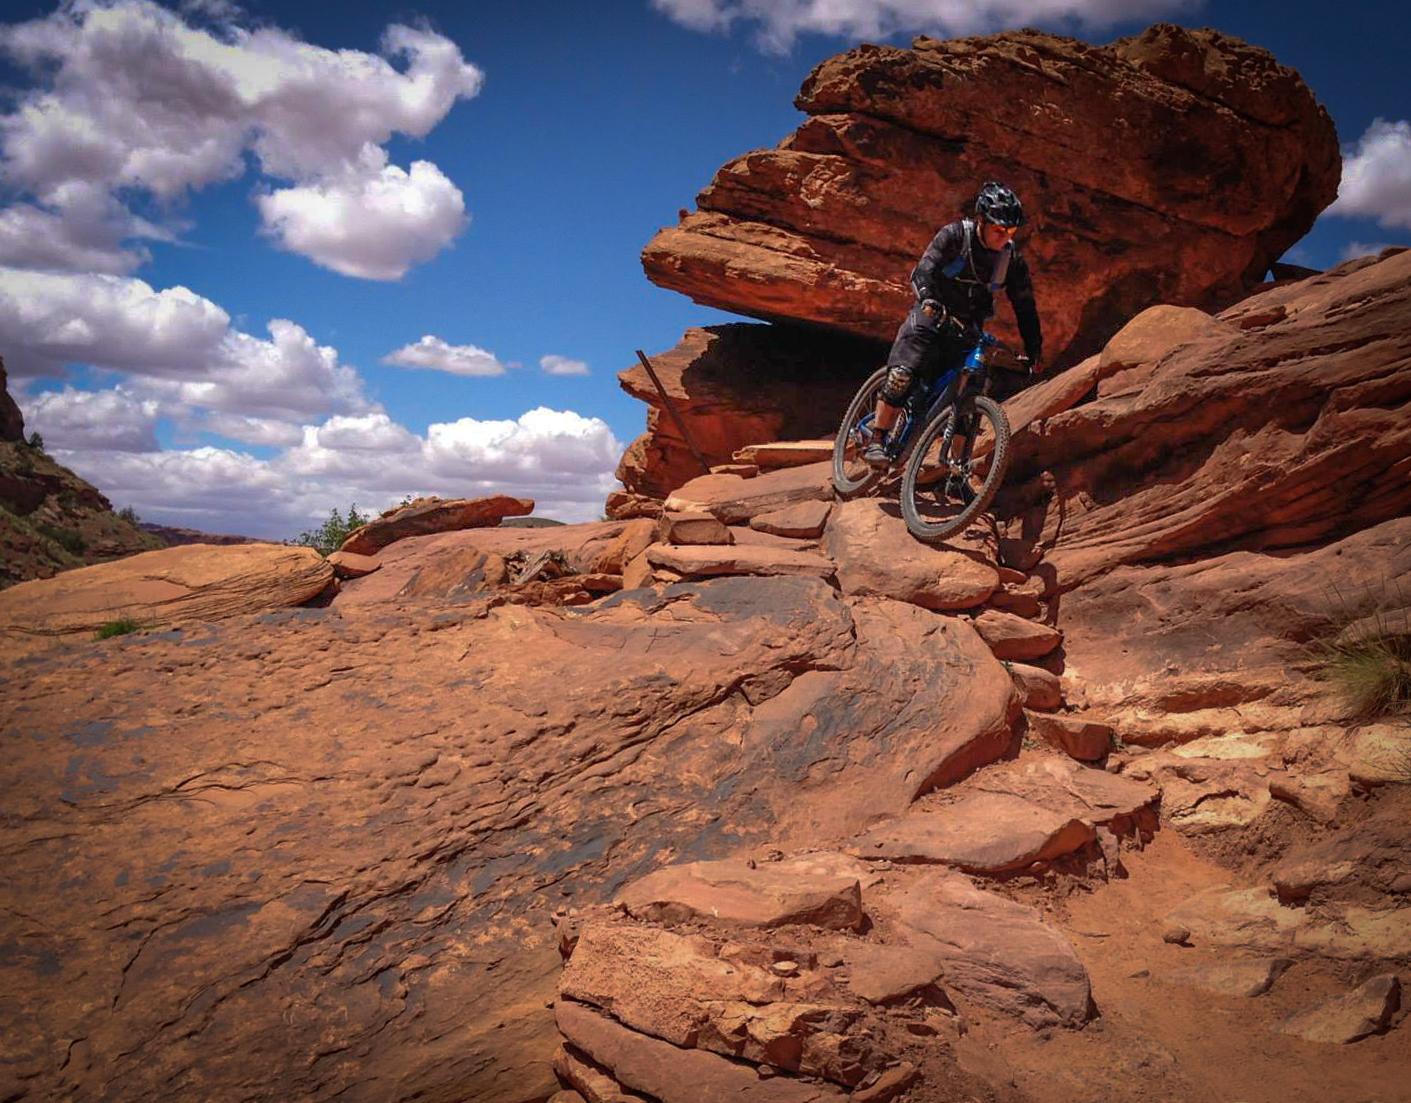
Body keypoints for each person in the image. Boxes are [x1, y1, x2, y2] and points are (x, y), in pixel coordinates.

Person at [863, 180, 1043, 468]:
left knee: (972, 390)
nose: (1005, 237)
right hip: (931, 315)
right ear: (981, 220)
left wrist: (1034, 350)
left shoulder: (1011, 261)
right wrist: (928, 300)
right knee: (902, 376)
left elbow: (1025, 307)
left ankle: (957, 467)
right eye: (999, 229)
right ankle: (877, 438)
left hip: (967, 327)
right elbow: (923, 270)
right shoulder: (955, 235)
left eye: (1011, 231)